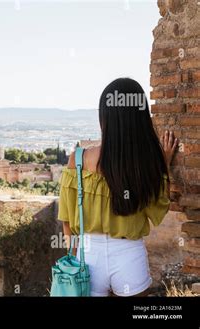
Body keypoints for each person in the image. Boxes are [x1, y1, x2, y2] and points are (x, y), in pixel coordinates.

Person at [58, 77, 178, 296]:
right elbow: (157, 212)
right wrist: (164, 166)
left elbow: (67, 221)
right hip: (128, 253)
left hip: (87, 255)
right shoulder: (147, 164)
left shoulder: (77, 160)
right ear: (140, 118)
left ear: (104, 117)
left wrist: (75, 259)